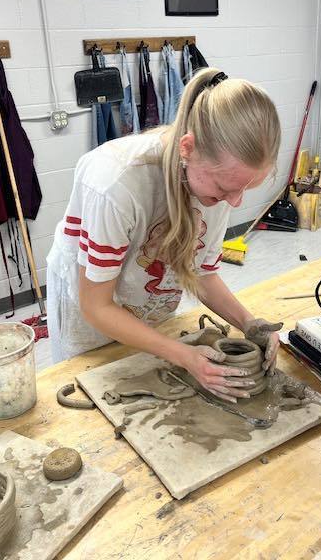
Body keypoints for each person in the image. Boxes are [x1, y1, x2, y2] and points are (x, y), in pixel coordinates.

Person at [46, 68, 282, 403]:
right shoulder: (116, 183)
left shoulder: (220, 182)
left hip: (145, 297)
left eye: (245, 188)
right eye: (225, 189)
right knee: (94, 395)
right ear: (188, 148)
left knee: (152, 384)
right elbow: (96, 306)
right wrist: (184, 356)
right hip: (91, 307)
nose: (235, 201)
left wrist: (248, 322)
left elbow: (201, 274)